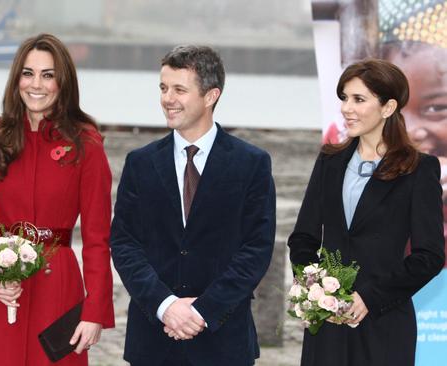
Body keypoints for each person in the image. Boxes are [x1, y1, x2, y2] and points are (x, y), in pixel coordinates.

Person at [110, 45, 276, 366]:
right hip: (152, 340)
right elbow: (125, 244)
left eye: (179, 89)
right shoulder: (139, 163)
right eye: (163, 88)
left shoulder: (251, 163)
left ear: (210, 96)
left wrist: (203, 311)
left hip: (223, 341)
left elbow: (256, 249)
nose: (167, 98)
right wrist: (165, 306)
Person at [0, 33, 115, 366]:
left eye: (48, 75)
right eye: (28, 73)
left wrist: (95, 310)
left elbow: (97, 237)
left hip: (58, 287)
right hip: (1, 282)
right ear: (16, 80)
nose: (36, 84)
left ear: (63, 82)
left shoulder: (86, 144)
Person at [288, 59, 445, 366]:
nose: (347, 108)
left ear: (388, 107)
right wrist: (316, 290)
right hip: (328, 325)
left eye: (359, 99)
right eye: (344, 98)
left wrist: (369, 298)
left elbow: (429, 256)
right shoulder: (329, 161)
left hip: (383, 324)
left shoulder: (418, 169)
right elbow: (303, 238)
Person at [324, 0, 447, 258]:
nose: (413, 130)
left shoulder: (426, 170)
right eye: (399, 110)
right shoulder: (341, 150)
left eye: (436, 109)